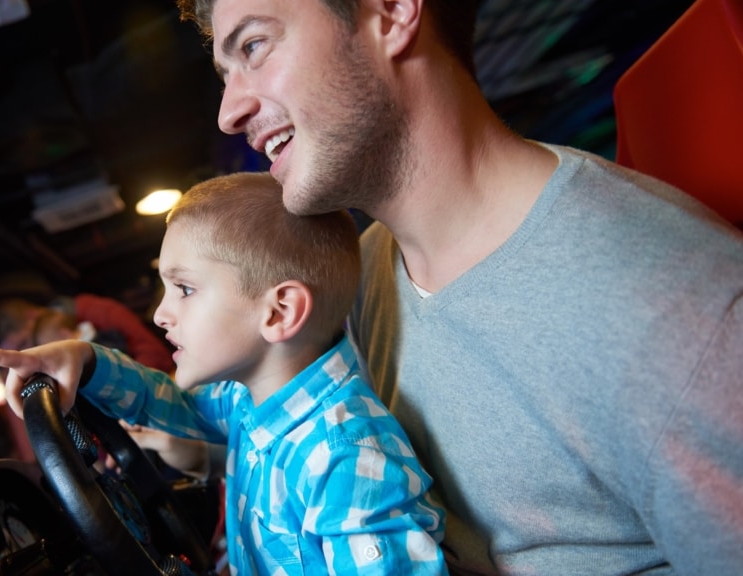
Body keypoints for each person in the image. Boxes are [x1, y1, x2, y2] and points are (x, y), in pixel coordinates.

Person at [173, 1, 743, 574]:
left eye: (253, 47)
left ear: (393, 14)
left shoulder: (672, 310)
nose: (229, 111)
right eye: (227, 74)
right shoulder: (366, 271)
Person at [0, 171, 449, 575]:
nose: (160, 315)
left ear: (278, 312)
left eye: (185, 290)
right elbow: (169, 402)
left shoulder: (347, 459)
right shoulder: (248, 397)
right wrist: (85, 362)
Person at [0, 293, 176, 373]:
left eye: (23, 344)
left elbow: (156, 355)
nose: (27, 353)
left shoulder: (92, 309)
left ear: (33, 316)